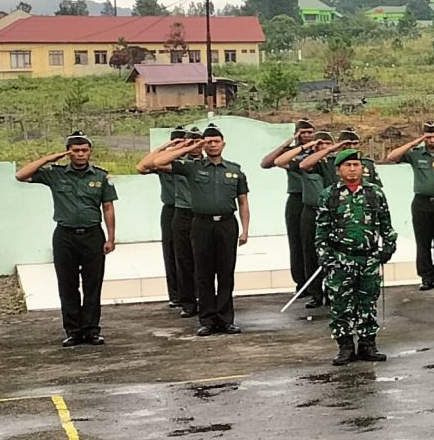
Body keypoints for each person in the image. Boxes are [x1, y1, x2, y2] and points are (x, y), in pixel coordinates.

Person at [142, 125, 250, 336]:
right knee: (204, 273)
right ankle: (207, 320)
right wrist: (187, 146)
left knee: (226, 273)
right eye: (207, 141)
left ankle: (226, 319)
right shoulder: (193, 167)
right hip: (201, 224)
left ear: (223, 143)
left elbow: (243, 202)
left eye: (216, 141)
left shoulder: (235, 170)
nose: (212, 144)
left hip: (227, 224)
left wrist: (245, 230)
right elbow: (156, 162)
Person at [15, 134, 119, 347]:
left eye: (84, 150)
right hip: (65, 236)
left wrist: (111, 238)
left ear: (90, 151)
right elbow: (21, 175)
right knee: (67, 285)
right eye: (75, 150)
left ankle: (91, 330)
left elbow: (107, 207)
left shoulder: (100, 177)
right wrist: (50, 159)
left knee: (93, 285)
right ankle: (73, 331)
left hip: (92, 235)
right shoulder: (56, 174)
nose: (80, 154)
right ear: (68, 152)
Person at [315, 144, 396, 365]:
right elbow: (321, 230)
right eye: (348, 165)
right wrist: (325, 256)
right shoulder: (329, 195)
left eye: (356, 165)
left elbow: (386, 224)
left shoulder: (374, 193)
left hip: (368, 258)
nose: (353, 169)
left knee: (367, 303)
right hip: (341, 258)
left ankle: (368, 345)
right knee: (341, 304)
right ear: (338, 170)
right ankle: (345, 347)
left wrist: (388, 247)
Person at [384, 122, 434, 291]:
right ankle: (426, 277)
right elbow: (391, 157)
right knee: (422, 241)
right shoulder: (416, 154)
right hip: (421, 202)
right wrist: (415, 142)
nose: (431, 140)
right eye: (428, 137)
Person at [263, 120, 327, 307]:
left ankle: (321, 287)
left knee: (316, 245)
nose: (307, 135)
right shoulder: (292, 152)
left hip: (317, 200)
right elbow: (267, 163)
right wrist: (290, 143)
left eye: (310, 132)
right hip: (297, 199)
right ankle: (302, 283)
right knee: (298, 243)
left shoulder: (318, 152)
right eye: (303, 132)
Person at [156, 126, 197, 315]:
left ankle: (195, 294)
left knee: (193, 256)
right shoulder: (167, 163)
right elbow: (145, 165)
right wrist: (171, 148)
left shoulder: (190, 164)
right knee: (172, 254)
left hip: (191, 209)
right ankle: (176, 294)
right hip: (171, 209)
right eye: (177, 142)